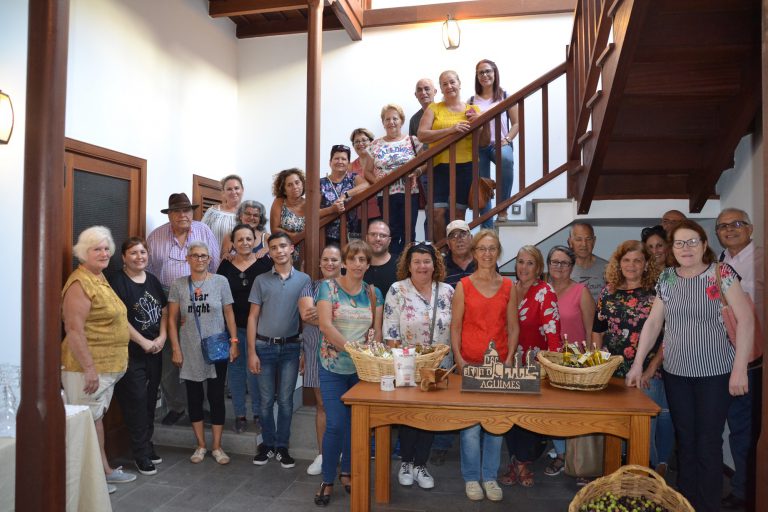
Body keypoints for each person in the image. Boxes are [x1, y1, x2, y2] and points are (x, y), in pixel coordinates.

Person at [626, 220, 753, 512]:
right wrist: (637, 364)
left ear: (704, 245)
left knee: (707, 443)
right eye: (680, 243)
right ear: (673, 249)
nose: (686, 248)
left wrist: (739, 368)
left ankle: (707, 506)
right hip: (677, 374)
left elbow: (746, 320)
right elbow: (655, 322)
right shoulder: (668, 278)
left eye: (692, 242)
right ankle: (684, 504)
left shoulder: (721, 274)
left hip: (716, 373)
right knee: (686, 441)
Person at [61, 226, 135, 494]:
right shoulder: (79, 283)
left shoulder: (99, 278)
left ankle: (103, 472)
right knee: (84, 425)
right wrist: (89, 368)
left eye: (106, 248)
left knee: (95, 420)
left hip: (107, 368)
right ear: (83, 253)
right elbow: (74, 329)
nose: (104, 253)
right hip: (85, 370)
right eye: (97, 249)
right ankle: (86, 486)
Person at [314, 240, 384, 507]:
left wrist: (370, 353)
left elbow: (376, 330)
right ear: (344, 262)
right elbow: (325, 326)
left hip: (362, 371)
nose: (358, 264)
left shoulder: (373, 293)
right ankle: (328, 478)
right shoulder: (327, 288)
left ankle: (347, 472)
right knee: (335, 424)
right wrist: (354, 350)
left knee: (357, 425)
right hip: (332, 367)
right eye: (353, 259)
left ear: (368, 264)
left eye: (363, 260)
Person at [451, 230, 519, 502]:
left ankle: (489, 476)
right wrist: (459, 359)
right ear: (474, 252)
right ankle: (471, 478)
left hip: (499, 365)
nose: (487, 254)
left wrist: (510, 356)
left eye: (492, 249)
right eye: (482, 249)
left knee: (496, 424)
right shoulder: (463, 286)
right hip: (469, 363)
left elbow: (513, 327)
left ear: (498, 252)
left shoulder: (508, 287)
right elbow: (455, 327)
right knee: (469, 427)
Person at [592, 240, 671, 473]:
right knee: (616, 431)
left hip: (648, 373)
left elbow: (669, 337)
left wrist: (649, 369)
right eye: (626, 260)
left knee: (643, 434)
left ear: (646, 264)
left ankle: (649, 483)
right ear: (618, 263)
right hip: (613, 374)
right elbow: (597, 330)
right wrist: (597, 361)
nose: (631, 265)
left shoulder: (657, 292)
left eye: (637, 260)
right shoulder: (608, 291)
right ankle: (620, 480)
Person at [384, 242, 454, 490]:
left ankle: (420, 464)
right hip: (407, 364)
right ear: (408, 265)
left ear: (435, 264)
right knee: (409, 416)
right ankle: (406, 461)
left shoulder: (447, 291)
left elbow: (454, 329)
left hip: (439, 365)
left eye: (427, 261)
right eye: (417, 262)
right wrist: (396, 363)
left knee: (429, 417)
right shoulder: (397, 290)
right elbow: (391, 329)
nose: (422, 266)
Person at [146, 192, 220, 426]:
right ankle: (177, 406)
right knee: (169, 354)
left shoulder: (204, 232)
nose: (183, 215)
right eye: (177, 211)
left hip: (199, 294)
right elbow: (148, 272)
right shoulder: (156, 236)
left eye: (187, 210)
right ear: (169, 215)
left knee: (201, 352)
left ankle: (203, 406)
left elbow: (215, 265)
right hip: (167, 298)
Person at [167, 241, 238, 465]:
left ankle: (217, 446)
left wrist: (234, 341)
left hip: (216, 348)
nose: (199, 259)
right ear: (187, 259)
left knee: (216, 397)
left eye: (204, 256)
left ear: (210, 259)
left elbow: (229, 313)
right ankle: (201, 445)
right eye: (195, 255)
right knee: (194, 398)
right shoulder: (178, 284)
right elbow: (171, 319)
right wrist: (176, 348)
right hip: (189, 349)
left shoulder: (220, 282)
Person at [247, 232, 313, 468]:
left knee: (285, 400)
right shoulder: (261, 280)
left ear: (292, 248)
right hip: (264, 347)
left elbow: (306, 319)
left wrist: (305, 350)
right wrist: (252, 351)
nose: (279, 251)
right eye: (273, 247)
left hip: (291, 348)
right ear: (269, 251)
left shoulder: (305, 280)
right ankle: (267, 444)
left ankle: (282, 447)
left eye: (283, 246)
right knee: (265, 401)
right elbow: (253, 317)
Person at [715, 208, 763, 510]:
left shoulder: (761, 260)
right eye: (722, 226)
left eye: (736, 224)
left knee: (745, 428)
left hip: (748, 359)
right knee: (721, 427)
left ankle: (747, 493)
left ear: (750, 228)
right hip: (719, 359)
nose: (730, 230)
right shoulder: (720, 263)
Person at [501, 245, 560, 488]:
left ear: (538, 268)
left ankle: (524, 463)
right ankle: (514, 460)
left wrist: (553, 367)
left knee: (527, 418)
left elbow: (553, 333)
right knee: (509, 416)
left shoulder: (545, 291)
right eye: (520, 262)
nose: (523, 267)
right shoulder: (510, 290)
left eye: (530, 263)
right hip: (510, 362)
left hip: (535, 365)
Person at [109, 237, 168, 477]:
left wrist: (162, 337)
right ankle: (140, 453)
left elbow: (164, 311)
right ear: (124, 257)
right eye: (133, 253)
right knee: (136, 401)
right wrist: (143, 341)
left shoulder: (152, 280)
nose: (139, 257)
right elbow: (118, 319)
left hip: (155, 349)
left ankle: (147, 444)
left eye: (143, 252)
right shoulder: (116, 282)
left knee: (150, 399)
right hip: (131, 352)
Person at [543, 245, 595, 477]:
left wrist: (590, 362)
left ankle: (577, 459)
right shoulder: (541, 291)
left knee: (572, 413)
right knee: (551, 412)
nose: (559, 267)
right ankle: (561, 453)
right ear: (548, 264)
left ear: (572, 267)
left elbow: (592, 330)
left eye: (564, 263)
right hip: (546, 362)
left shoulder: (581, 292)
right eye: (555, 262)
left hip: (574, 363)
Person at [216, 224, 271, 433]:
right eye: (240, 240)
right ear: (233, 243)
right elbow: (218, 296)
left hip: (259, 329)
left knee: (255, 371)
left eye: (249, 239)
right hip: (232, 329)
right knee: (236, 372)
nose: (245, 243)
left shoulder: (264, 264)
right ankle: (240, 414)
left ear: (255, 240)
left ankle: (258, 413)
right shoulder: (225, 266)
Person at [417, 70, 483, 241]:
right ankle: (441, 253)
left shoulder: (473, 109)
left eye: (452, 82)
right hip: (439, 166)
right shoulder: (434, 108)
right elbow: (422, 135)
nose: (449, 86)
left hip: (465, 165)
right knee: (437, 212)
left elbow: (484, 141)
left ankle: (456, 252)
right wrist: (451, 130)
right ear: (440, 88)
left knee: (458, 214)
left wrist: (482, 122)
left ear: (459, 84)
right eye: (444, 84)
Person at [301, 244, 343, 476]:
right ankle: (323, 453)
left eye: (334, 260)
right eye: (325, 259)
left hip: (345, 354)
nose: (329, 264)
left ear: (342, 263)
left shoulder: (349, 287)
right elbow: (307, 315)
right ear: (319, 263)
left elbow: (353, 317)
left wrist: (325, 315)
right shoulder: (310, 286)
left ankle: (346, 451)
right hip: (317, 352)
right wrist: (334, 315)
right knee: (323, 406)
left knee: (346, 406)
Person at [361, 104, 423, 255]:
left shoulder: (412, 141)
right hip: (386, 195)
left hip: (409, 192)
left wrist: (417, 172)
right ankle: (394, 266)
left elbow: (425, 163)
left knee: (409, 233)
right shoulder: (375, 144)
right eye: (387, 119)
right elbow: (367, 171)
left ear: (401, 121)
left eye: (395, 118)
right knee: (391, 233)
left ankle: (408, 264)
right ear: (383, 122)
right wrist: (377, 182)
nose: (391, 122)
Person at [470, 59, 519, 226]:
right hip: (479, 146)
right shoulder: (471, 101)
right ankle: (487, 226)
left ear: (495, 73)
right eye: (480, 72)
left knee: (506, 160)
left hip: (500, 143)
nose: (484, 75)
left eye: (487, 71)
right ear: (477, 77)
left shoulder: (505, 96)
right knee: (482, 184)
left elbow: (517, 123)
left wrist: (508, 139)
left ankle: (503, 207)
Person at [319, 144, 370, 245]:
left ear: (348, 163)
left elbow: (366, 185)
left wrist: (345, 195)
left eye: (343, 159)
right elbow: (313, 213)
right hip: (328, 236)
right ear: (330, 162)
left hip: (351, 234)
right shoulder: (321, 183)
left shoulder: (353, 178)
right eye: (336, 158)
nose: (340, 161)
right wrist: (331, 210)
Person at [201, 174, 244, 255]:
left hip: (240, 264)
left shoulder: (249, 214)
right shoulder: (212, 212)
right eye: (229, 189)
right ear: (223, 192)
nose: (233, 192)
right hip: (213, 262)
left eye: (236, 188)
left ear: (242, 190)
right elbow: (200, 235)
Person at [568, 222, 608, 301]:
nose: (584, 244)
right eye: (578, 239)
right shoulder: (563, 269)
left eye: (588, 239)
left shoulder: (607, 267)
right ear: (570, 242)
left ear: (594, 241)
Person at [269, 168, 307, 250]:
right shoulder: (279, 202)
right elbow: (274, 229)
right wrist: (295, 236)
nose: (295, 187)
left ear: (302, 184)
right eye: (289, 185)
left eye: (297, 183)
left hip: (306, 250)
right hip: (285, 251)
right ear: (284, 190)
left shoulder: (309, 204)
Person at [349, 128, 381, 221]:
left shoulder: (379, 163)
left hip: (380, 211)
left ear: (371, 142)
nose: (360, 144)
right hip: (358, 215)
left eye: (364, 140)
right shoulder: (350, 167)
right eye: (356, 142)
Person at [363, 219, 398, 298]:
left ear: (389, 241)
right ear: (366, 238)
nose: (377, 239)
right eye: (373, 234)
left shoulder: (400, 264)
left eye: (382, 235)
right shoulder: (357, 265)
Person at [443, 220, 476, 288]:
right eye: (453, 236)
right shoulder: (441, 266)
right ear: (448, 243)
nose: (459, 239)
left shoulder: (483, 261)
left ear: (471, 238)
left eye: (463, 234)